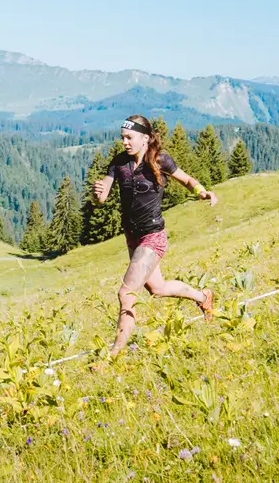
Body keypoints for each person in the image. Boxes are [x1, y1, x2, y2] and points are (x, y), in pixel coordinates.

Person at [93, 115, 217, 358]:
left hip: (153, 237)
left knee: (126, 294)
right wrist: (98, 194)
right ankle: (203, 297)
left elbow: (187, 179)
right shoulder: (118, 163)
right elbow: (102, 197)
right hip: (133, 237)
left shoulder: (160, 160)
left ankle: (114, 355)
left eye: (129, 138)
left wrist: (202, 192)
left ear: (145, 138)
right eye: (122, 138)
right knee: (157, 288)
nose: (125, 143)